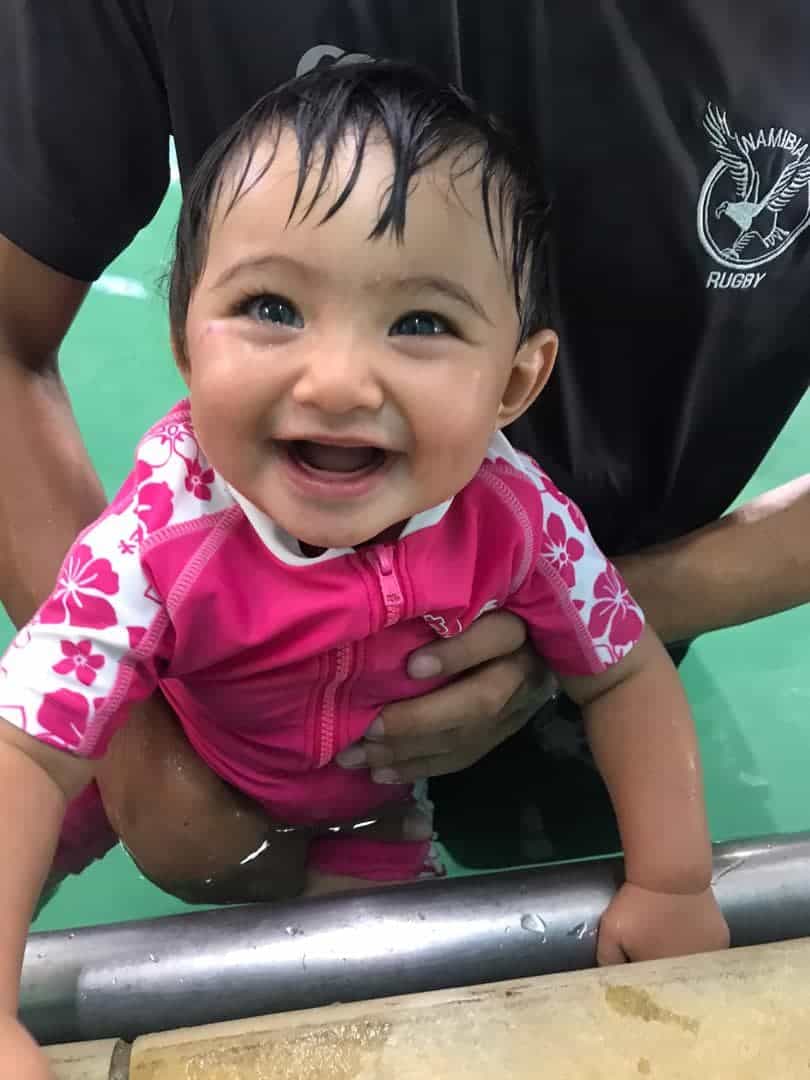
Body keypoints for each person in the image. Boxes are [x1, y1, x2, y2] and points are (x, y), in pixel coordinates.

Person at [0, 60, 729, 1075]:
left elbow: (625, 673)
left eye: (421, 324)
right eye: (270, 307)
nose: (339, 382)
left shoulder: (519, 522)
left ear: (515, 381)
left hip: (365, 811)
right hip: (167, 743)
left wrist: (673, 882)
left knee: (396, 1028)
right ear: (184, 343)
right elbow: (31, 748)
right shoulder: (161, 533)